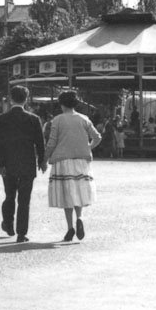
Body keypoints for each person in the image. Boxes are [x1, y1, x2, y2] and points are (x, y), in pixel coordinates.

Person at [45, 89, 101, 241]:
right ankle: (80, 218)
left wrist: (44, 158)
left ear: (61, 104)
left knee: (66, 194)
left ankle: (70, 227)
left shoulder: (57, 120)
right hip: (81, 161)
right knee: (79, 192)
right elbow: (97, 137)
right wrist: (88, 147)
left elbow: (51, 143)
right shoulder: (84, 119)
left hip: (62, 161)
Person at [0, 85, 46, 243]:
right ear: (26, 99)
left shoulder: (1, 119)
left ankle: (8, 224)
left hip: (8, 163)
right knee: (24, 199)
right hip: (27, 163)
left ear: (10, 99)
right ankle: (21, 233)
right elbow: (39, 143)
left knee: (9, 195)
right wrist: (41, 160)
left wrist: (0, 164)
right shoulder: (34, 119)